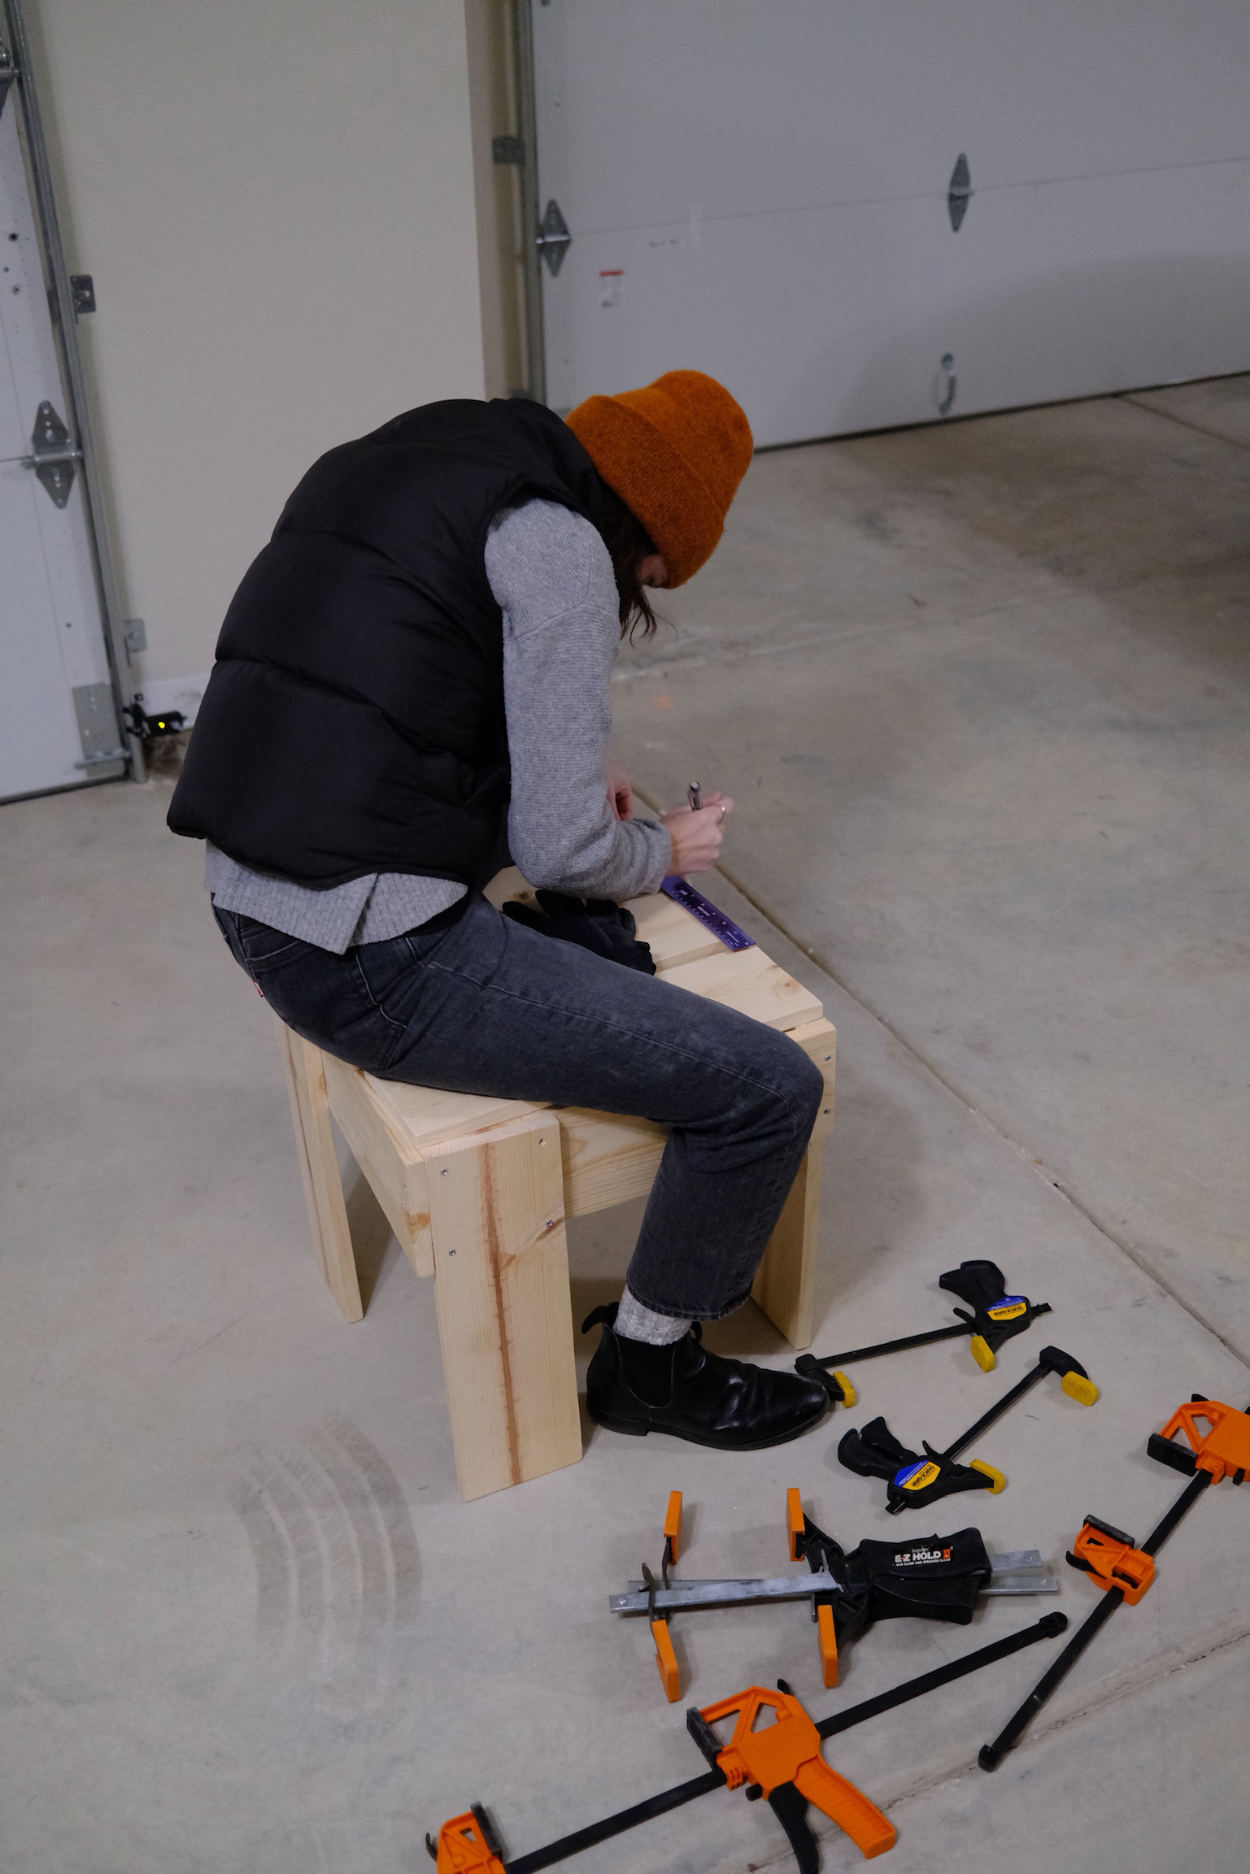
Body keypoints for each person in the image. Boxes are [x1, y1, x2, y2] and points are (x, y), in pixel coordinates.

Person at [168, 370, 829, 1450]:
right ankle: (651, 1366)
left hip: (247, 889)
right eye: (656, 574)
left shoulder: (415, 452)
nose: (645, 589)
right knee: (764, 1085)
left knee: (584, 932)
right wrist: (667, 849)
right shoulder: (561, 547)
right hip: (364, 957)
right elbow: (562, 846)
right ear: (649, 537)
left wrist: (575, 756)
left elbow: (393, 672)